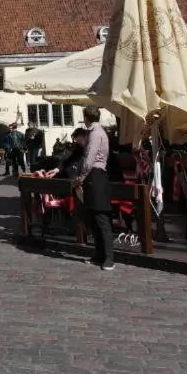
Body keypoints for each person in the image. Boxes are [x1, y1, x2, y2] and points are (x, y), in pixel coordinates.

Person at [73, 106, 114, 271]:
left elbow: (89, 157)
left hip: (95, 175)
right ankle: (100, 254)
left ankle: (109, 258)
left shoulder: (96, 133)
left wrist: (81, 177)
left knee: (101, 218)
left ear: (86, 117)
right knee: (93, 218)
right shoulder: (94, 132)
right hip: (93, 176)